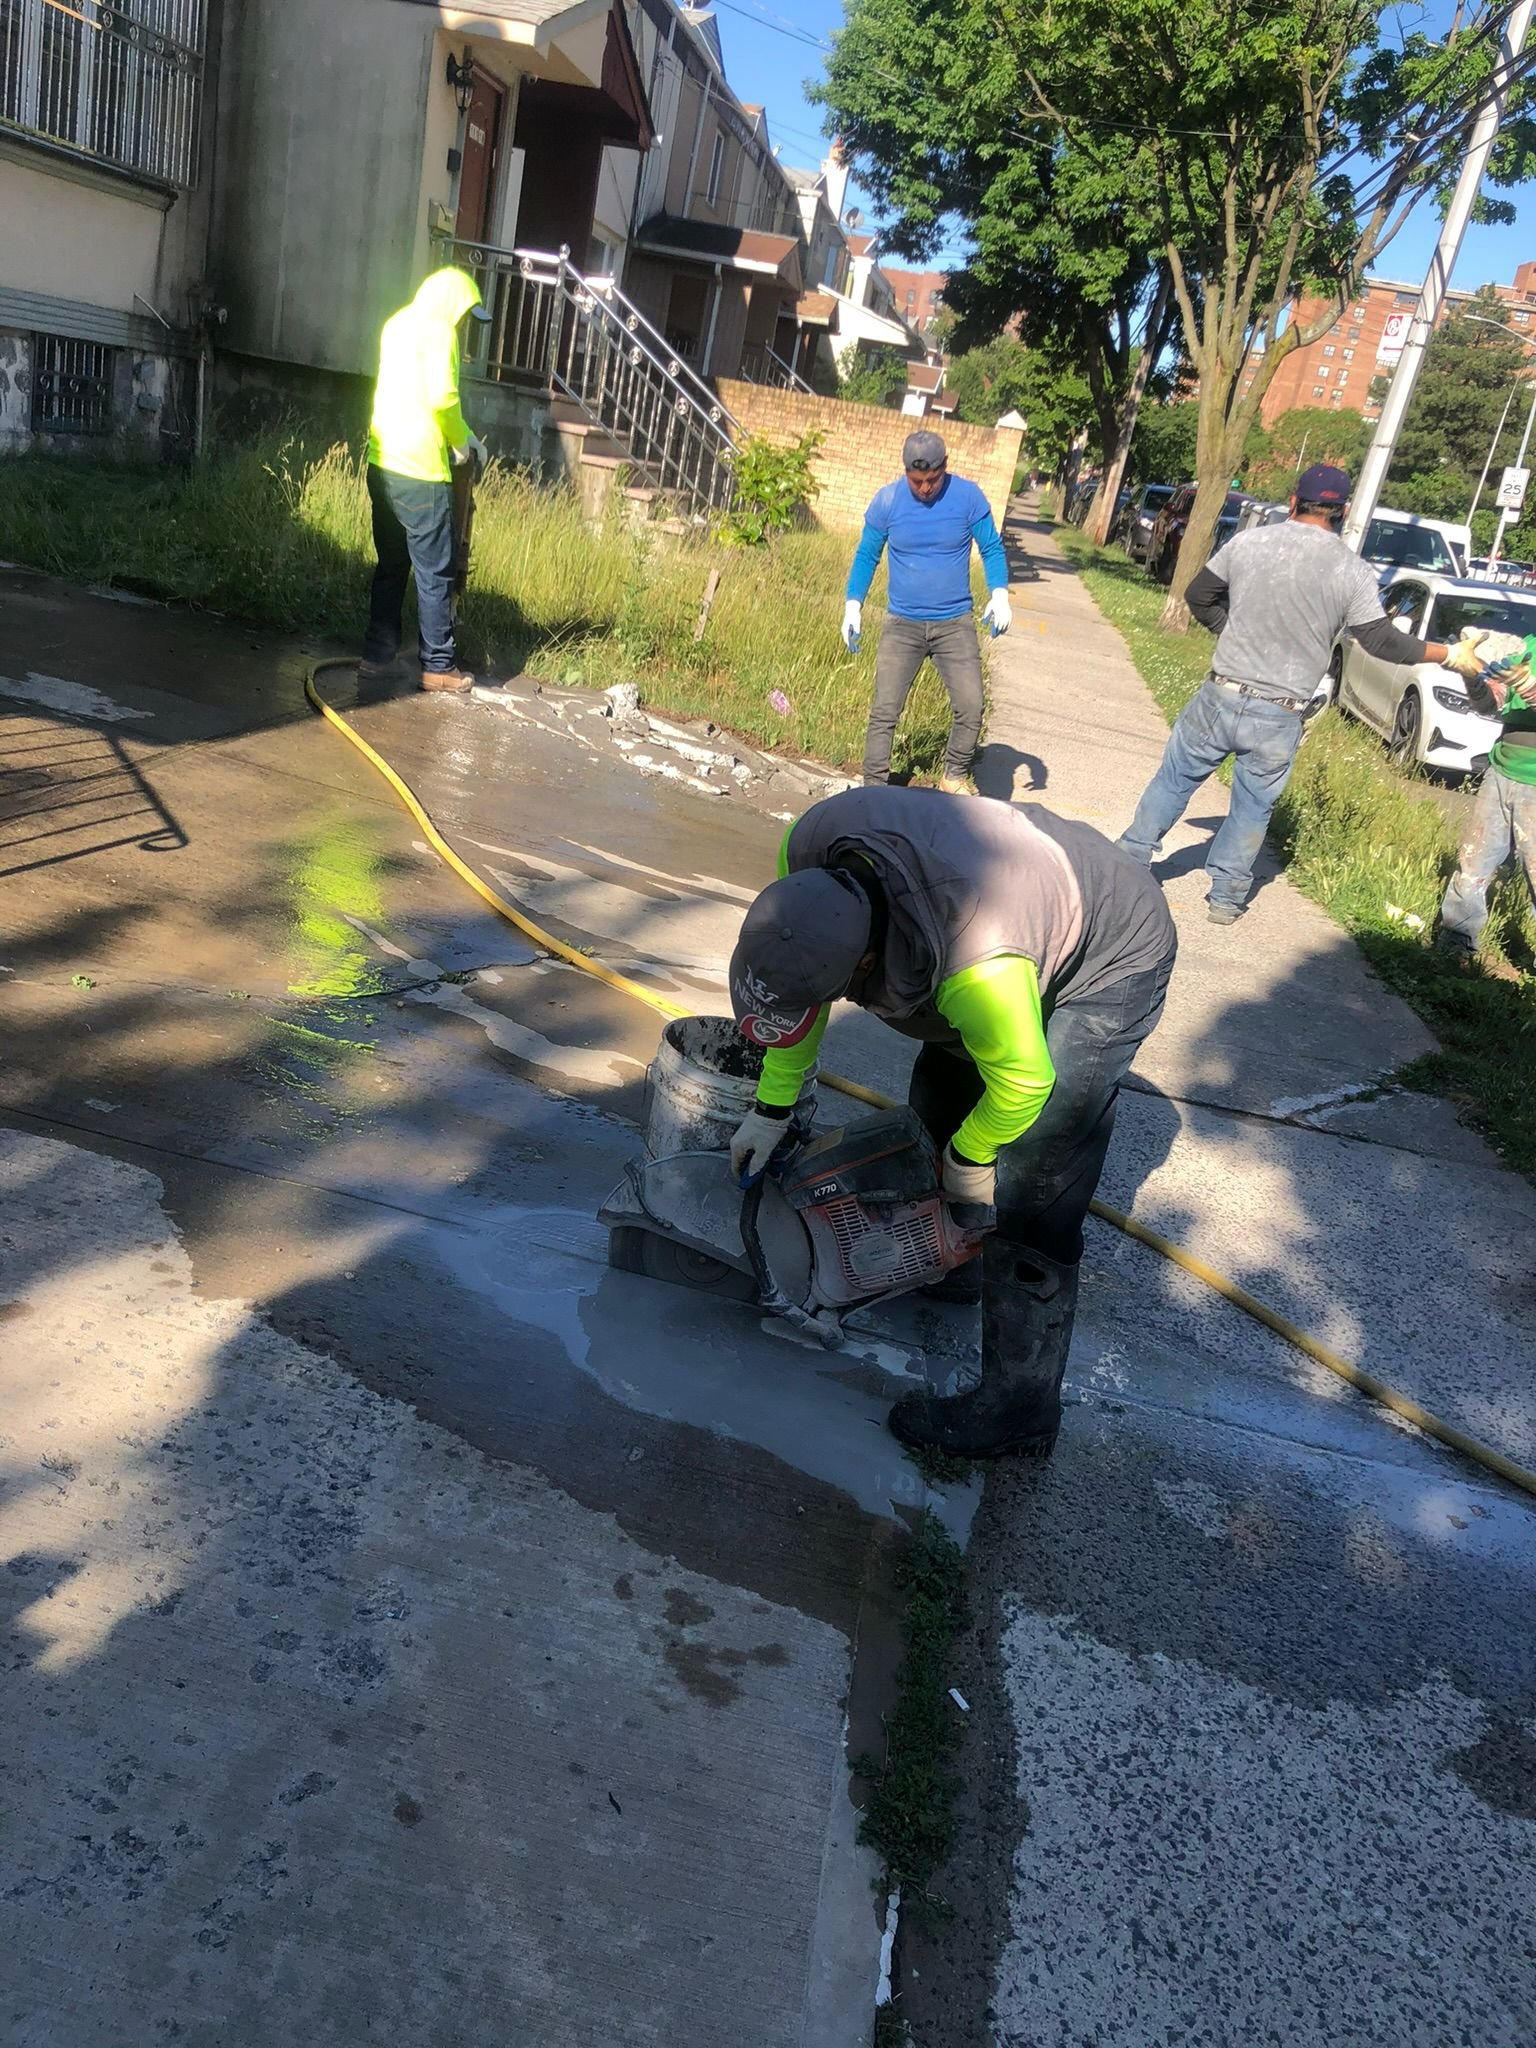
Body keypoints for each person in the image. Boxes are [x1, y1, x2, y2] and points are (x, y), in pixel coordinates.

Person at [725, 784, 1177, 1460]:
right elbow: (808, 993)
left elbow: (1025, 1079)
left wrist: (972, 1157)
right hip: (1010, 903)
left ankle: (1019, 1409)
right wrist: (772, 1106)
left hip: (1111, 953)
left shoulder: (975, 963)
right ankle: (957, 1260)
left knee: (1034, 1178)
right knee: (935, 1103)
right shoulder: (809, 849)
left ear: (869, 960)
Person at [1117, 463, 1487, 923]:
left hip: (1222, 693)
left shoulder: (1248, 542)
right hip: (1279, 709)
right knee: (1253, 805)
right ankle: (1226, 898)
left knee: (1175, 780)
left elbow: (1199, 595)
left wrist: (1228, 631)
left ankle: (1131, 860)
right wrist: (1447, 654)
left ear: (1294, 502)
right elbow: (1380, 641)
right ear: (1343, 511)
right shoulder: (1352, 571)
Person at [842, 430, 1012, 794]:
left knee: (971, 705)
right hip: (902, 624)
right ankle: (874, 787)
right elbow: (867, 554)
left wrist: (999, 593)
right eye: (916, 481)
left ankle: (953, 776)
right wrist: (852, 604)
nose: (924, 488)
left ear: (944, 468)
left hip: (954, 624)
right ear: (906, 473)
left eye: (932, 480)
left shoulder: (967, 497)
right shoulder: (887, 502)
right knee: (885, 710)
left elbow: (992, 548)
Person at [362, 267, 491, 694]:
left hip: (383, 464)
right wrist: (464, 441)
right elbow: (441, 397)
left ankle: (376, 658)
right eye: (467, 315)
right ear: (454, 304)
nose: (465, 324)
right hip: (420, 470)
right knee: (434, 571)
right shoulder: (440, 331)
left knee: (391, 566)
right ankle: (438, 665)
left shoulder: (396, 323)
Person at [1437, 631, 1536, 958]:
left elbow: (1524, 690)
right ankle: (1454, 949)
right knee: (1472, 866)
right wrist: (1472, 676)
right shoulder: (1527, 646)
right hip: (1501, 771)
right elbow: (1491, 704)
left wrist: (1527, 684)